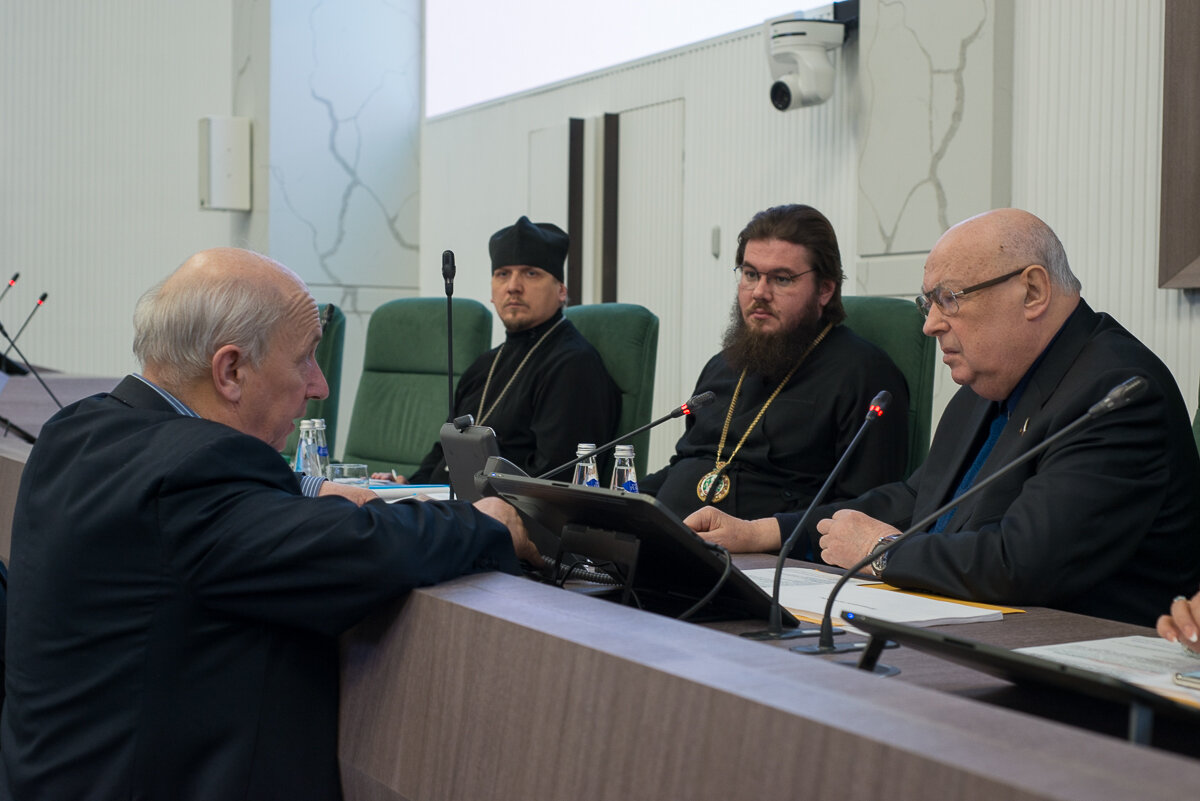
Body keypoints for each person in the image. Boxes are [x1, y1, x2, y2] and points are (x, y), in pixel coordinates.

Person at [0, 248, 538, 800]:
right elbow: (362, 552)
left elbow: (211, 527)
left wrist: (307, 488)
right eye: (305, 358)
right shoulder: (194, 475)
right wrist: (486, 521)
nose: (320, 386)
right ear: (231, 371)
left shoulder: (79, 430)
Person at [687, 208, 1200, 626]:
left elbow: (1020, 564)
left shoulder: (1116, 394)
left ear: (1033, 292)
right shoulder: (991, 377)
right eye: (927, 302)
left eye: (949, 299)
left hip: (1072, 668)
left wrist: (882, 551)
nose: (931, 325)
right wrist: (763, 532)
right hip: (968, 628)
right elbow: (917, 499)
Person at [638, 204, 910, 521]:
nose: (759, 293)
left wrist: (758, 536)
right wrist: (618, 502)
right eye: (751, 274)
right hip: (671, 543)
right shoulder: (722, 366)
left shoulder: (864, 375)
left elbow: (865, 511)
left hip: (764, 564)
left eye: (781, 279)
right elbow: (685, 465)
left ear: (824, 289)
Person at [401, 216, 620, 483]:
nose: (513, 286)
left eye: (531, 273)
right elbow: (445, 451)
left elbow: (555, 478)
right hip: (447, 506)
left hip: (506, 515)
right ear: (493, 292)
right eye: (503, 274)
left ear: (561, 291)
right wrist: (405, 488)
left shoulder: (573, 365)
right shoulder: (484, 365)